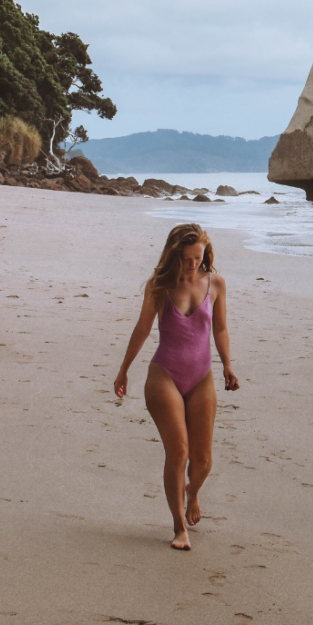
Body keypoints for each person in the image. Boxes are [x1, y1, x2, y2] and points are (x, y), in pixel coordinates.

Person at [114, 223, 239, 550]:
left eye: (198, 258)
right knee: (179, 451)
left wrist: (227, 363)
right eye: (186, 258)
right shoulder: (159, 286)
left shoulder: (216, 284)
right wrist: (124, 369)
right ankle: (179, 527)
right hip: (164, 376)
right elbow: (142, 328)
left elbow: (221, 329)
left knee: (203, 462)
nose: (192, 264)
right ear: (174, 255)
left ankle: (192, 493)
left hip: (202, 378)